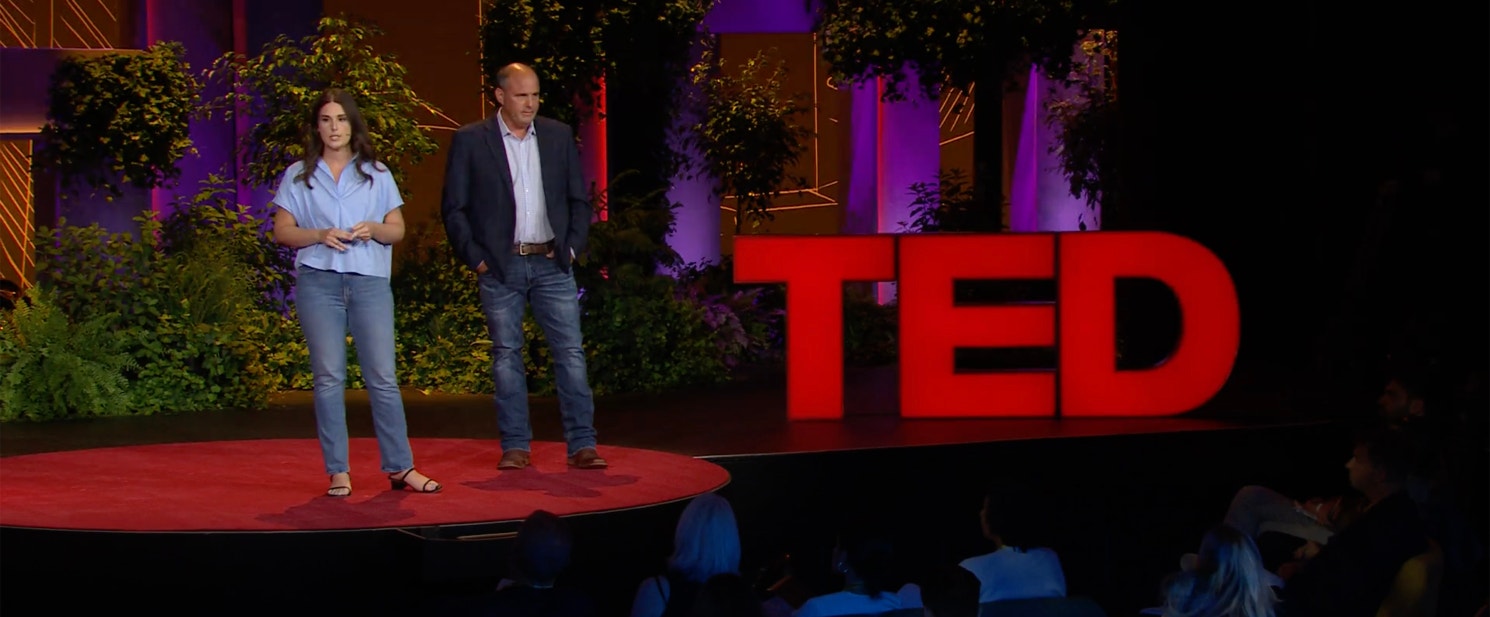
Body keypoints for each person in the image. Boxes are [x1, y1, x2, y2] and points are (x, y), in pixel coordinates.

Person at [272, 88, 440, 497]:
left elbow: (396, 229)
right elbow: (282, 231)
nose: (335, 128)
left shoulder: (377, 173)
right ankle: (338, 472)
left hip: (368, 283)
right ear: (317, 127)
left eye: (342, 119)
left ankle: (401, 468)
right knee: (329, 378)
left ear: (353, 125)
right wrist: (318, 234)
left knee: (382, 377)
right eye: (327, 120)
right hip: (319, 282)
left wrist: (374, 228)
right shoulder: (298, 175)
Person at [440, 62, 604, 471]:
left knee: (570, 353)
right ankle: (516, 446)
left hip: (552, 262)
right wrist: (476, 258)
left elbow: (578, 200)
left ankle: (582, 444)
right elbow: (454, 208)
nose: (530, 103)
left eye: (534, 95)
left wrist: (570, 250)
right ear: (500, 96)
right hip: (500, 266)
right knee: (506, 356)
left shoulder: (557, 135)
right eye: (520, 95)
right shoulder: (471, 140)